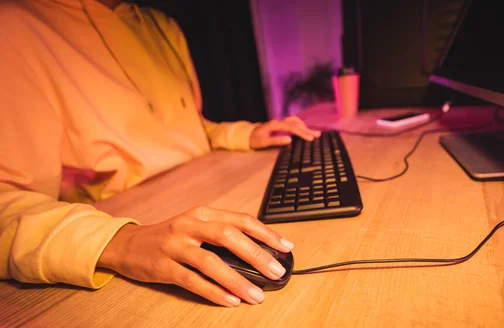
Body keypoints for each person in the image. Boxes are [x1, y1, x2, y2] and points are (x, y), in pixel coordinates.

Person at [0, 0, 320, 307]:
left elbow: (189, 128)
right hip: (132, 239)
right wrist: (121, 241)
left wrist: (244, 134)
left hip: (216, 198)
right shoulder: (12, 26)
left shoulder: (163, 27)